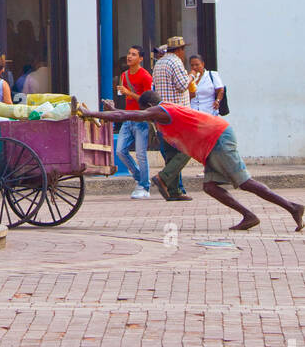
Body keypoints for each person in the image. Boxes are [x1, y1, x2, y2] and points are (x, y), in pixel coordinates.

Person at [91, 92, 304, 232]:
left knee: (245, 182)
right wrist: (112, 112)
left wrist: (92, 113)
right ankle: (249, 215)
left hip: (217, 137)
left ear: (149, 105)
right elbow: (131, 115)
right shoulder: (163, 114)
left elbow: (131, 114)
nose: (148, 116)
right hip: (211, 142)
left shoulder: (161, 110)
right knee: (210, 186)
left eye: (147, 111)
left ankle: (292, 207)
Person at [151, 35, 196, 200]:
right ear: (179, 50)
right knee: (189, 147)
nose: (184, 53)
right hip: (178, 113)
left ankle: (173, 190)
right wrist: (191, 75)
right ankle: (163, 177)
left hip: (163, 111)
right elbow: (182, 85)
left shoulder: (159, 63)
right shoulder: (175, 62)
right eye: (183, 49)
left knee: (171, 152)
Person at [114, 45, 153, 198]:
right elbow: (123, 95)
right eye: (129, 53)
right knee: (120, 151)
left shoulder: (145, 76)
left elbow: (148, 100)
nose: (129, 57)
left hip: (141, 119)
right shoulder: (124, 75)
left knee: (141, 154)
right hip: (128, 117)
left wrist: (130, 93)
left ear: (141, 59)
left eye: (134, 54)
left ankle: (144, 186)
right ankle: (140, 177)